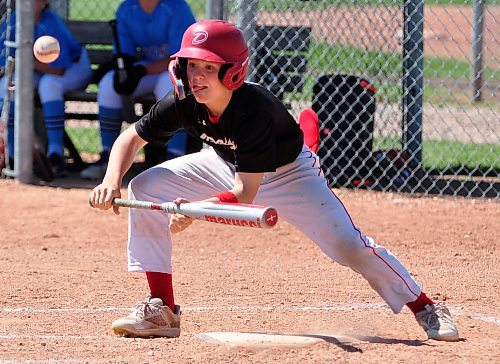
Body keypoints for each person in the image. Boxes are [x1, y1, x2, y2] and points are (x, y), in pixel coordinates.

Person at [88, 20, 459, 341]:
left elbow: (246, 193)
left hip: (290, 173)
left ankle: (425, 306)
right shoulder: (184, 99)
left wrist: (196, 210)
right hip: (222, 163)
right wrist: (111, 180)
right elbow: (131, 138)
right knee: (146, 186)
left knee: (349, 245)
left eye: (208, 67)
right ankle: (162, 310)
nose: (195, 75)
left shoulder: (255, 110)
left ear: (233, 71)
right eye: (189, 65)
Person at [80, 0, 196, 180]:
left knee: (170, 83)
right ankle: (108, 157)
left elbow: (180, 58)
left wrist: (141, 71)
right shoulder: (127, 8)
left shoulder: (177, 7)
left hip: (174, 68)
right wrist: (125, 70)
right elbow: (125, 54)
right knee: (109, 83)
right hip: (147, 68)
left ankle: (175, 155)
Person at [0, 0, 93, 177]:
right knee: (6, 85)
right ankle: (11, 155)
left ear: (44, 3)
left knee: (49, 85)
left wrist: (26, 60)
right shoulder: (13, 21)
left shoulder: (50, 22)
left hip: (74, 69)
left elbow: (59, 69)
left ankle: (55, 154)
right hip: (35, 69)